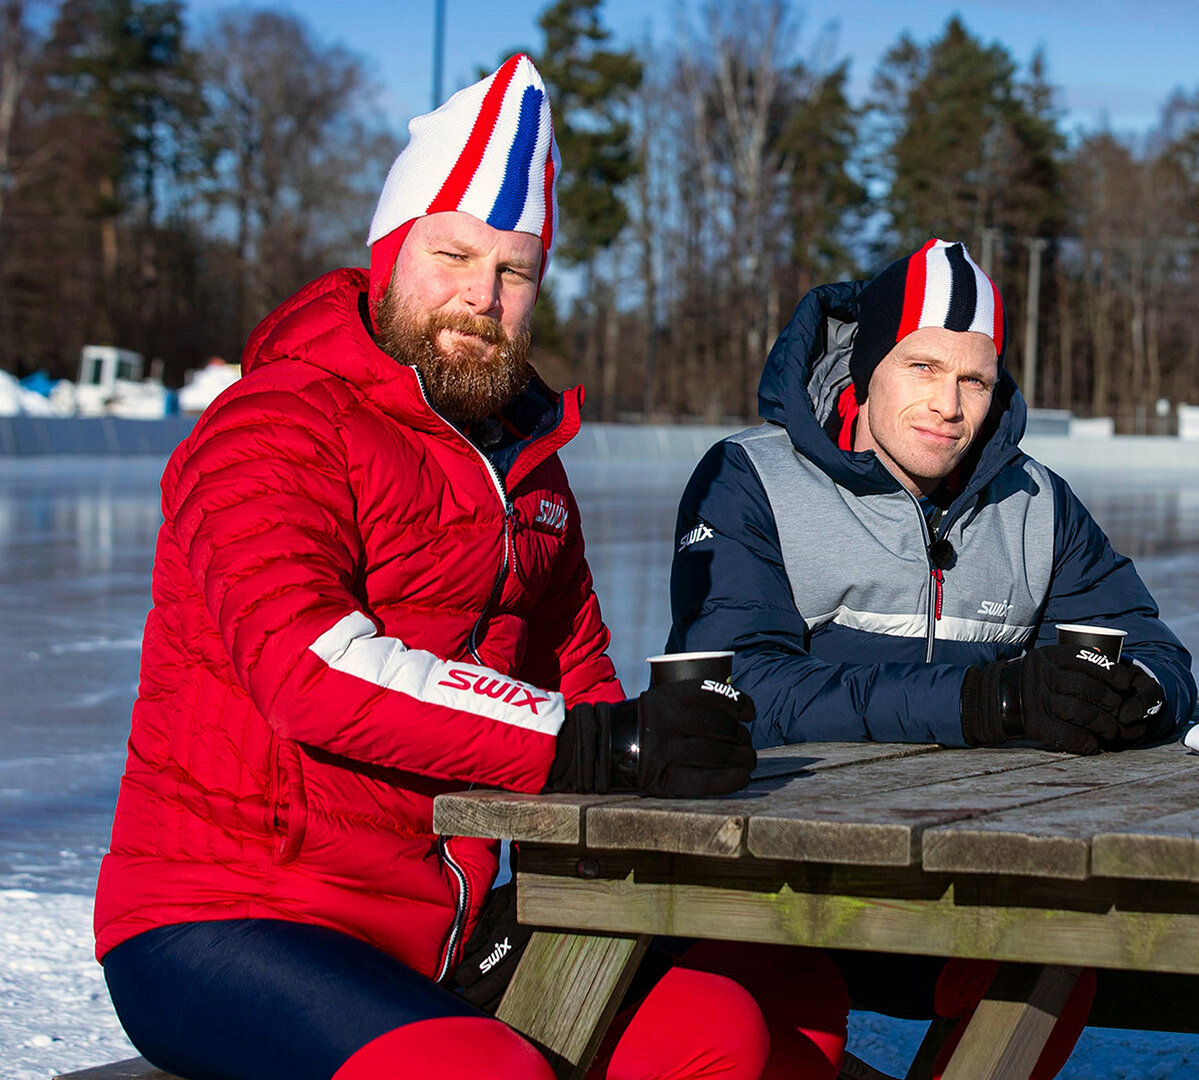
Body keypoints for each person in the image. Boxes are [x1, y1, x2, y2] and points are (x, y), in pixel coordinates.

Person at [91, 55, 846, 1080]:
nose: (480, 298)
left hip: (444, 927)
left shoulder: (529, 467)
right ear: (391, 252)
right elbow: (309, 668)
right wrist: (595, 747)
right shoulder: (270, 428)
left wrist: (655, 763)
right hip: (230, 912)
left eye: (514, 271)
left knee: (742, 1015)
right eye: (451, 256)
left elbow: (581, 677)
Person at [666, 238, 1198, 1077]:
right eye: (920, 367)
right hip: (770, 887)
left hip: (965, 885)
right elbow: (738, 687)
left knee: (1060, 958)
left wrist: (1128, 697)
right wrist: (986, 702)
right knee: (739, 1024)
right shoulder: (751, 478)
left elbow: (1158, 653)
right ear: (865, 368)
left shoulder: (1036, 503)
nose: (948, 404)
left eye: (973, 379)